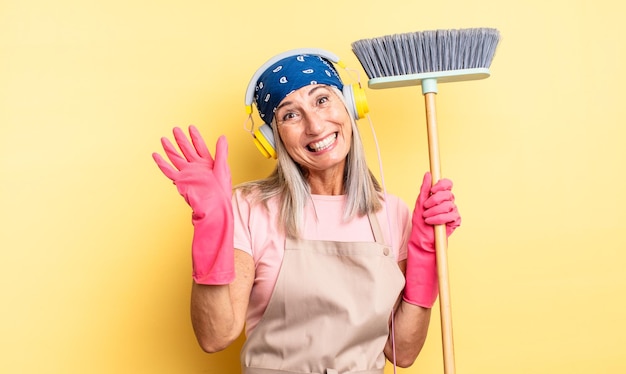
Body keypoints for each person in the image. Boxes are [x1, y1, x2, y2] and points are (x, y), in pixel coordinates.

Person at [152, 49, 461, 374]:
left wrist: (426, 256)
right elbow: (215, 336)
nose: (314, 125)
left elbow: (404, 352)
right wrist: (211, 225)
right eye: (290, 115)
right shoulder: (249, 207)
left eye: (322, 100)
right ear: (273, 139)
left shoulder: (391, 213)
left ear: (350, 106)